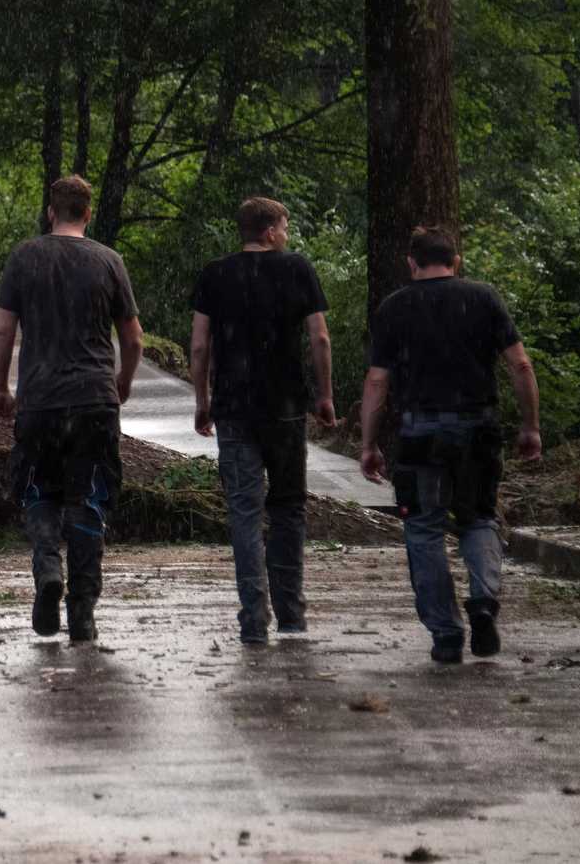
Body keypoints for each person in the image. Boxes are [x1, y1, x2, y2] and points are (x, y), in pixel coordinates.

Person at [360, 225, 541, 664]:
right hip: (478, 429)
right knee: (479, 518)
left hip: (420, 434)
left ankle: (445, 634)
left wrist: (368, 443)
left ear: (411, 262)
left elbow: (377, 380)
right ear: (455, 261)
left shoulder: (394, 308)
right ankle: (482, 601)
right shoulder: (483, 298)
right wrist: (530, 426)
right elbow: (519, 364)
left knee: (423, 529)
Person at [0, 175, 143, 643]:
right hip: (95, 400)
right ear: (88, 213)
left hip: (40, 401)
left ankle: (47, 568)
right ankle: (82, 612)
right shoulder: (108, 261)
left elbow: (3, 331)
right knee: (90, 498)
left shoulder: (25, 257)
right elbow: (134, 338)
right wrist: (122, 382)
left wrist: (1, 388)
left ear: (50, 212)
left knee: (38, 490)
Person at [190, 197, 336, 644]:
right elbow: (320, 337)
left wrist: (203, 400)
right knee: (289, 508)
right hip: (286, 407)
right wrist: (325, 395)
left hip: (234, 408)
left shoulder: (215, 274)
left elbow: (199, 346)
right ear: (271, 231)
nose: (287, 236)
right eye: (285, 228)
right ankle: (292, 614)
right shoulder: (297, 269)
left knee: (245, 512)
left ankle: (254, 617)